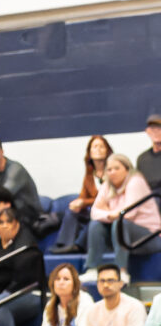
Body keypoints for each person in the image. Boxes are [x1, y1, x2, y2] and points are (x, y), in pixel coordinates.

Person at [79, 153, 161, 285]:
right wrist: (111, 215)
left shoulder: (136, 181)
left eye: (117, 168)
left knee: (120, 222)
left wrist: (109, 213)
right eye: (109, 169)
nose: (112, 172)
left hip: (151, 237)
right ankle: (92, 269)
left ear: (127, 169)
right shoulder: (107, 185)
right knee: (96, 225)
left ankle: (122, 272)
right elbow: (94, 212)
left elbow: (128, 214)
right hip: (123, 234)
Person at [49, 135, 112, 254]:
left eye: (101, 146)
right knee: (72, 211)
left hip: (106, 211)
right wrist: (78, 203)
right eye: (94, 147)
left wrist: (84, 202)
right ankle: (64, 244)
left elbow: (106, 198)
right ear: (89, 152)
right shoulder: (89, 174)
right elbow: (84, 195)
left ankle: (78, 246)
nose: (98, 149)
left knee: (93, 216)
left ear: (107, 150)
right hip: (93, 209)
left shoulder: (112, 170)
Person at [135, 114, 161, 191]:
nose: (156, 132)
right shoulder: (142, 159)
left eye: (159, 128)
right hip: (149, 199)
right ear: (147, 131)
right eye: (153, 128)